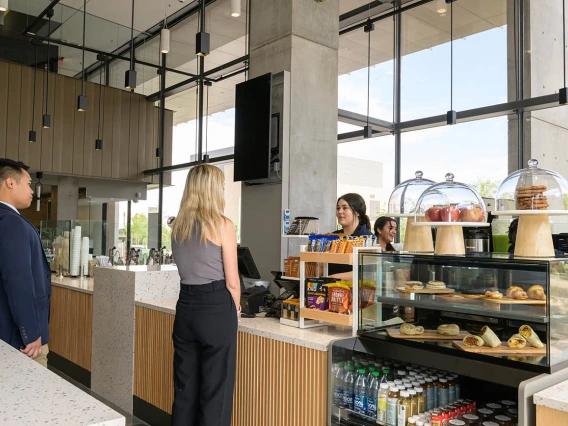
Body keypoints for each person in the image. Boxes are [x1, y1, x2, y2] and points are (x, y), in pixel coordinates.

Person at [170, 164, 241, 426]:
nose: (223, 190)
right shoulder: (222, 224)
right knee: (216, 391)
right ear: (212, 190)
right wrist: (233, 311)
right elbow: (233, 282)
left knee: (185, 389)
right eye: (221, 185)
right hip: (215, 306)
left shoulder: (178, 227)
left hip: (185, 307)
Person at [0, 158, 51, 367]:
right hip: (18, 339)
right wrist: (30, 332)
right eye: (29, 184)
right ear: (11, 183)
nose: (32, 191)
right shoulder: (11, 222)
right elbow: (18, 280)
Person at [329, 193, 373, 279]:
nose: (340, 211)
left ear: (357, 212)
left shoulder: (368, 239)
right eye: (338, 208)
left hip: (354, 290)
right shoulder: (333, 236)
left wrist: (331, 278)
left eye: (345, 208)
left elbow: (367, 272)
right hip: (330, 288)